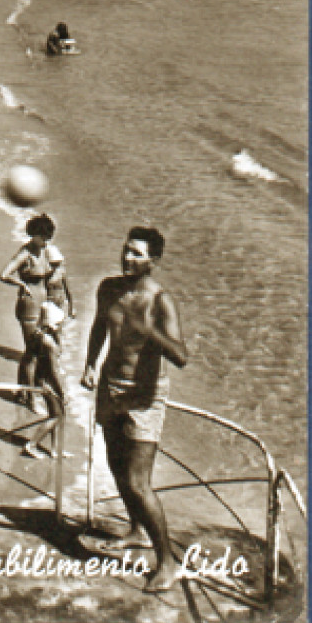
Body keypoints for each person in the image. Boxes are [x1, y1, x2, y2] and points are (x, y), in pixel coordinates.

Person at [81, 227, 190, 593]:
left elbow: (181, 356)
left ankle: (168, 563)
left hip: (145, 399)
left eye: (138, 255)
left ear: (154, 261)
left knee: (138, 482)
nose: (128, 258)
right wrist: (89, 365)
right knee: (115, 465)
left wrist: (150, 330)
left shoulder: (161, 301)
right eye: (126, 250)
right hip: (111, 389)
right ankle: (137, 530)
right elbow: (99, 327)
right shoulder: (108, 288)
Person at [0, 214, 72, 392]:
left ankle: (29, 390)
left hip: (43, 304)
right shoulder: (25, 253)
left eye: (49, 238)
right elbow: (3, 274)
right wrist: (21, 284)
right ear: (34, 235)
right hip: (29, 304)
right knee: (32, 351)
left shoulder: (45, 252)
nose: (46, 241)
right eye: (44, 238)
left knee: (40, 350)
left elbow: (58, 274)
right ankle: (27, 393)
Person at [20, 297, 67, 460]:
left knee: (57, 414)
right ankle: (31, 444)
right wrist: (62, 391)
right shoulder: (50, 345)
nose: (62, 326)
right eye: (60, 323)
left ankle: (55, 449)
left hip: (43, 379)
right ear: (52, 325)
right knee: (56, 416)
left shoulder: (39, 336)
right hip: (50, 383)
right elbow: (54, 371)